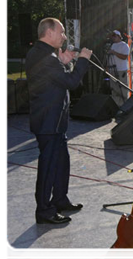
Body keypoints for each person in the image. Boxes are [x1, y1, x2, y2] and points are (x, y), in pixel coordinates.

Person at [26, 17, 92, 224]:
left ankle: (60, 199)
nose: (64, 36)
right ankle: (44, 211)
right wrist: (82, 61)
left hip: (55, 122)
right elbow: (71, 82)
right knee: (49, 166)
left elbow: (55, 81)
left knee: (61, 163)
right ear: (50, 33)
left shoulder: (46, 55)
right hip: (48, 123)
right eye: (62, 32)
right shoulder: (44, 57)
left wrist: (63, 63)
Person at [108, 30, 130, 107]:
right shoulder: (113, 45)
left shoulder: (124, 45)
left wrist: (114, 53)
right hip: (112, 70)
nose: (113, 38)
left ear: (119, 36)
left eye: (115, 36)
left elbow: (124, 57)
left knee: (122, 88)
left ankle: (124, 105)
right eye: (112, 37)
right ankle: (116, 105)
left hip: (121, 70)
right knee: (114, 88)